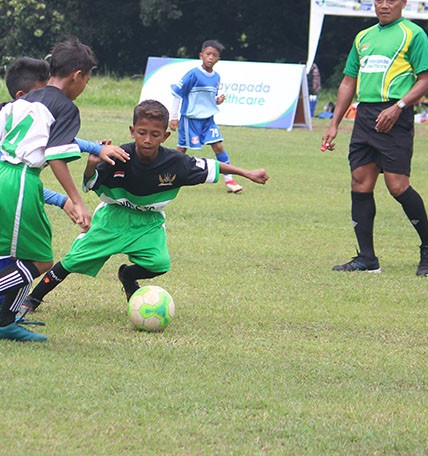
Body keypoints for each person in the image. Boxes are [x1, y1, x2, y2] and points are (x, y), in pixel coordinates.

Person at [0, 57, 127, 318]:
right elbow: (22, 176)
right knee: (19, 263)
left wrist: (95, 148)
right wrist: (67, 199)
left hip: (4, 192)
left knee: (25, 258)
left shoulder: (22, 118)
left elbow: (56, 142)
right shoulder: (15, 132)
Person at [20, 99, 268, 314]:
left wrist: (247, 173)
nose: (147, 140)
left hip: (148, 222)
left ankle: (128, 275)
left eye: (155, 134)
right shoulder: (118, 156)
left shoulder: (176, 162)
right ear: (132, 131)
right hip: (113, 219)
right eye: (142, 132)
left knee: (159, 263)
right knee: (73, 261)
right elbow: (90, 184)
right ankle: (33, 299)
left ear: (165, 136)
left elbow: (211, 166)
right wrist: (92, 164)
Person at [0, 39, 98, 343]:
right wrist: (77, 201)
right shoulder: (65, 107)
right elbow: (56, 157)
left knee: (25, 257)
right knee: (40, 262)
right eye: (87, 81)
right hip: (23, 178)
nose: (84, 87)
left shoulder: (18, 101)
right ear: (77, 75)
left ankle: (5, 323)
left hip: (2, 175)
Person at [321, 0, 428, 276]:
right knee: (360, 183)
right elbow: (348, 82)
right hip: (365, 115)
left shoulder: (413, 34)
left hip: (395, 114)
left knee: (397, 186)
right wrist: (335, 123)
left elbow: (425, 80)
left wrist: (398, 106)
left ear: (403, 2)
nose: (384, 5)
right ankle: (367, 258)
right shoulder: (363, 37)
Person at [168, 39, 244, 194]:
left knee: (218, 146)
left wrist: (217, 100)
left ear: (218, 59)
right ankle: (166, 173)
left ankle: (229, 180)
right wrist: (173, 117)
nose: (211, 57)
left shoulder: (216, 77)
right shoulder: (193, 74)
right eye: (208, 54)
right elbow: (177, 94)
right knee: (182, 149)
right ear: (201, 55)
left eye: (214, 55)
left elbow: (208, 99)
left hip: (208, 120)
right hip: (190, 119)